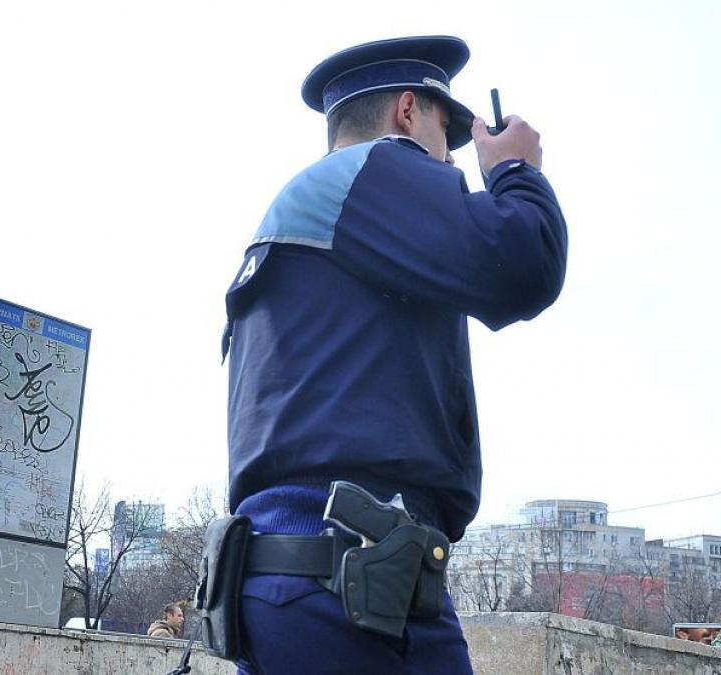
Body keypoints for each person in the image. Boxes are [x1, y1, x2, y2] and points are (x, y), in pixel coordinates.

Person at [223, 36, 567, 674]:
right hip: (356, 586)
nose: (449, 161)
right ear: (408, 112)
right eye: (445, 133)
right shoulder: (376, 170)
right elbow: (526, 264)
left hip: (282, 582)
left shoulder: (302, 213)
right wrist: (516, 170)